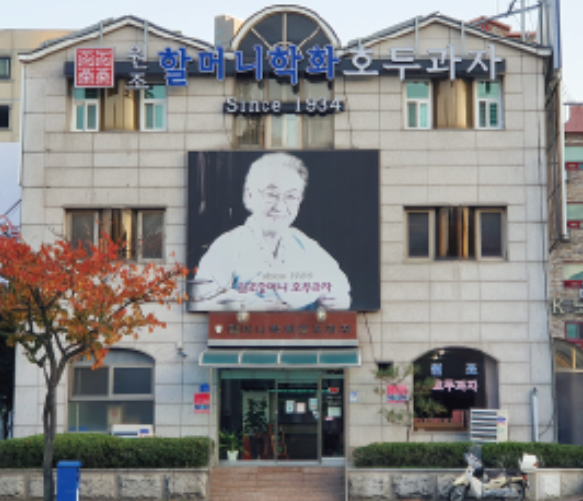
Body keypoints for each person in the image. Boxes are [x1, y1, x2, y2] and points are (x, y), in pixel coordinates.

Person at [191, 152, 351, 311]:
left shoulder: (305, 245)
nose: (280, 206)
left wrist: (333, 301)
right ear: (250, 195)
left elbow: (340, 290)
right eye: (271, 194)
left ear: (300, 200)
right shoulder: (227, 246)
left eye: (291, 196)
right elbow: (201, 301)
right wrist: (256, 307)